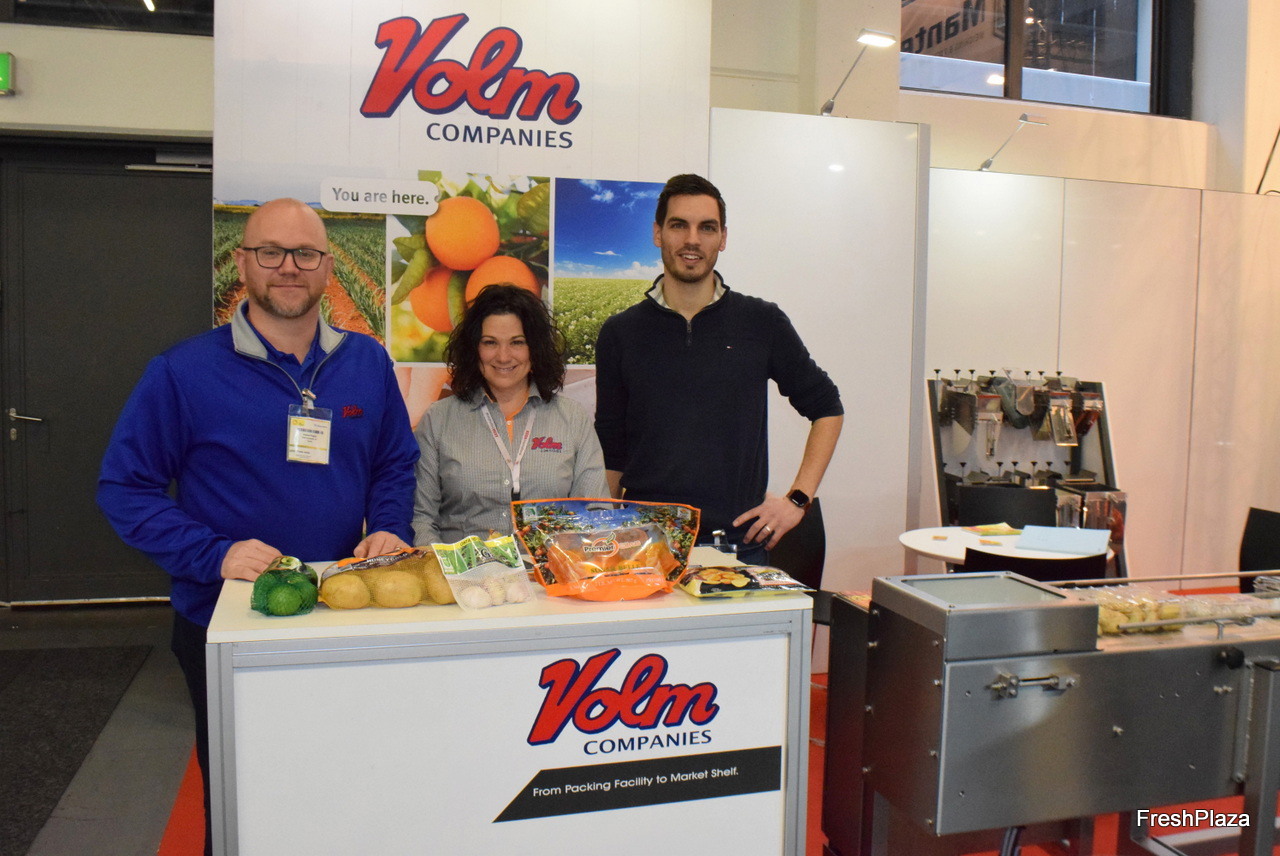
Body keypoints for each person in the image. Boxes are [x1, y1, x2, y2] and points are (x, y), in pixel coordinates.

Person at [97, 198, 418, 855]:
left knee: (343, 782)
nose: (289, 267)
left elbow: (394, 463)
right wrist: (212, 554)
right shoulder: (183, 371)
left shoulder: (366, 362)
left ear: (328, 267)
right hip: (228, 622)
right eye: (270, 252)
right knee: (245, 794)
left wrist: (387, 526)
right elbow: (124, 488)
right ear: (242, 263)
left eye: (305, 253)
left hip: (338, 612)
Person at [594, 173, 844, 564]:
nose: (692, 240)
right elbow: (613, 449)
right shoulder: (620, 332)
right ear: (658, 233)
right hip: (644, 547)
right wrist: (604, 538)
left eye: (707, 228)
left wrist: (798, 499)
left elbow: (827, 407)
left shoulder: (761, 322)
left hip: (738, 546)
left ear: (722, 238)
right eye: (679, 225)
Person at [413, 283, 607, 545]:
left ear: (535, 348)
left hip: (552, 568)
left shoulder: (572, 418)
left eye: (517, 342)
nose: (503, 356)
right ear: (474, 348)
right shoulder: (439, 419)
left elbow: (595, 514)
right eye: (490, 343)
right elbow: (421, 519)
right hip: (464, 569)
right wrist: (447, 565)